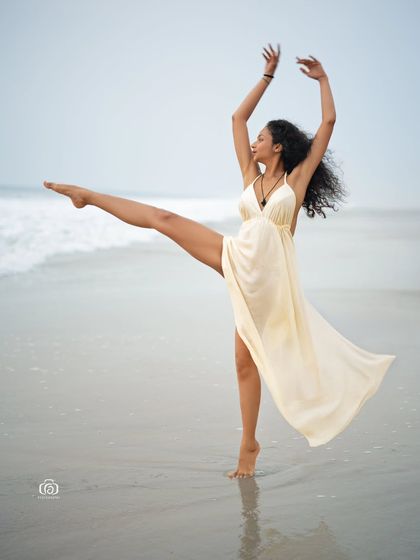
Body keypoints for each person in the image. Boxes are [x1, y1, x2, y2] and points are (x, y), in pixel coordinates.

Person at [43, 43, 396, 480]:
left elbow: (328, 122)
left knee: (246, 362)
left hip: (271, 282)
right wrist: (266, 77)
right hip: (236, 257)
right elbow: (237, 118)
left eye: (262, 139)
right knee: (164, 219)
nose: (254, 142)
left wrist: (323, 79)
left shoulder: (297, 179)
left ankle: (249, 445)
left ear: (279, 147)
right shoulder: (251, 174)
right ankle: (89, 196)